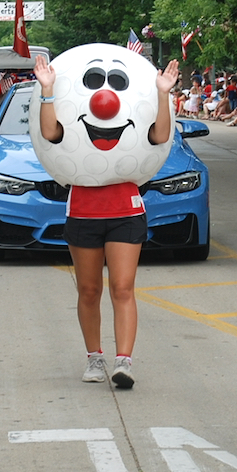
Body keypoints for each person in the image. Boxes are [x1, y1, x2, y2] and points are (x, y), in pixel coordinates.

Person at [33, 52, 177, 389]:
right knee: (88, 289)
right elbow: (49, 132)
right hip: (83, 210)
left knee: (123, 288)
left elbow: (159, 136)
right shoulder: (67, 110)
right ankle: (94, 356)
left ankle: (123, 361)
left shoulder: (137, 113)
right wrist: (48, 89)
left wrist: (162, 92)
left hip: (125, 210)